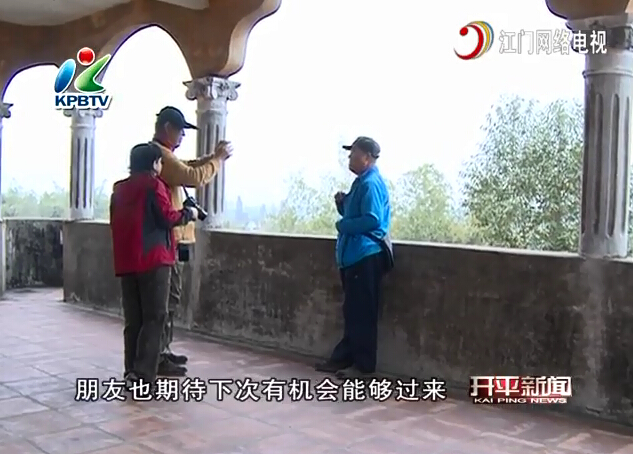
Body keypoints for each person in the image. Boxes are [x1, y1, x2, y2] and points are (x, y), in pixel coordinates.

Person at [151, 106, 233, 377]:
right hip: (166, 240)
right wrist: (217, 160)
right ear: (167, 128)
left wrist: (210, 158)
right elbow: (192, 176)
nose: (183, 136)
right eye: (180, 131)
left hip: (169, 240)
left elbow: (187, 166)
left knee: (169, 299)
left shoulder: (161, 155)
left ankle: (162, 352)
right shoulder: (161, 155)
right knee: (166, 300)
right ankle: (158, 356)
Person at [109, 143, 198, 388]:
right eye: (160, 162)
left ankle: (131, 370)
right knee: (155, 316)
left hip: (127, 261)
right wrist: (188, 214)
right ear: (153, 163)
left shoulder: (119, 189)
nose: (161, 167)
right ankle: (144, 375)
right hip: (154, 260)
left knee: (134, 320)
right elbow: (167, 217)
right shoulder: (154, 185)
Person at [315, 136, 391, 379]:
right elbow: (357, 212)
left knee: (362, 313)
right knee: (353, 310)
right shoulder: (361, 183)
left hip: (366, 256)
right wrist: (343, 204)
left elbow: (372, 220)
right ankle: (344, 357)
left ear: (367, 157)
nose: (349, 157)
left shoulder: (370, 184)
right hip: (354, 256)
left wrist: (342, 225)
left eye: (354, 153)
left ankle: (364, 366)